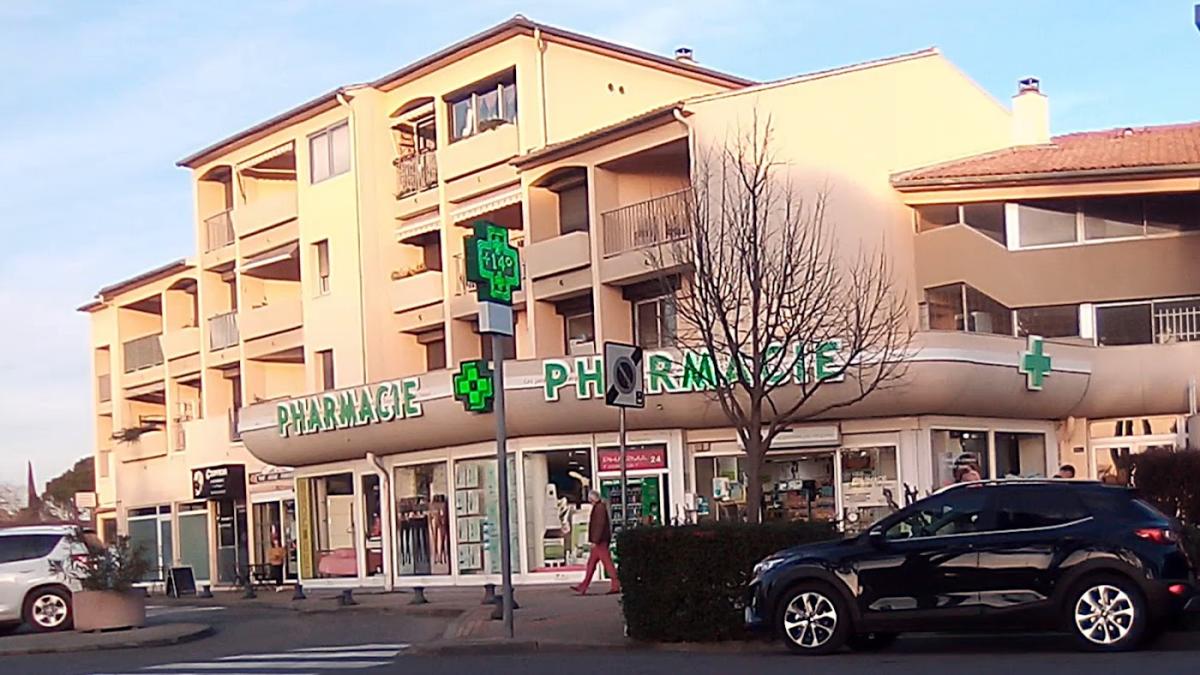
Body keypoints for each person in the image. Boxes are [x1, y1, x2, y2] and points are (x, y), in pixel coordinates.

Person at [571, 490, 620, 596]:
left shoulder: (599, 508)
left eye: (590, 499)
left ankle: (615, 584)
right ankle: (583, 586)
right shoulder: (600, 507)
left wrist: (595, 540)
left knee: (606, 563)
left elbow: (599, 525)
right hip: (600, 541)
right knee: (592, 564)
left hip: (600, 541)